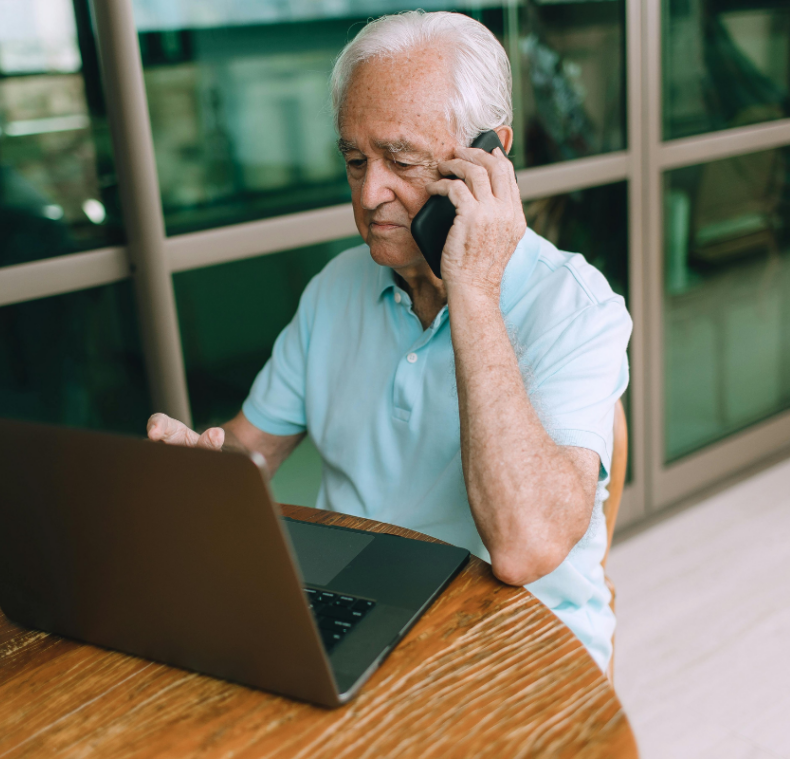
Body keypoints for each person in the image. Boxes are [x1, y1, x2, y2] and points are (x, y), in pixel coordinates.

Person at [147, 10, 631, 671]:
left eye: (401, 160)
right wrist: (201, 464)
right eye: (355, 160)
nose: (372, 193)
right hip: (360, 617)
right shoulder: (335, 288)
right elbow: (249, 451)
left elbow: (524, 546)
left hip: (519, 651)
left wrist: (472, 292)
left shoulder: (576, 308)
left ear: (489, 154)